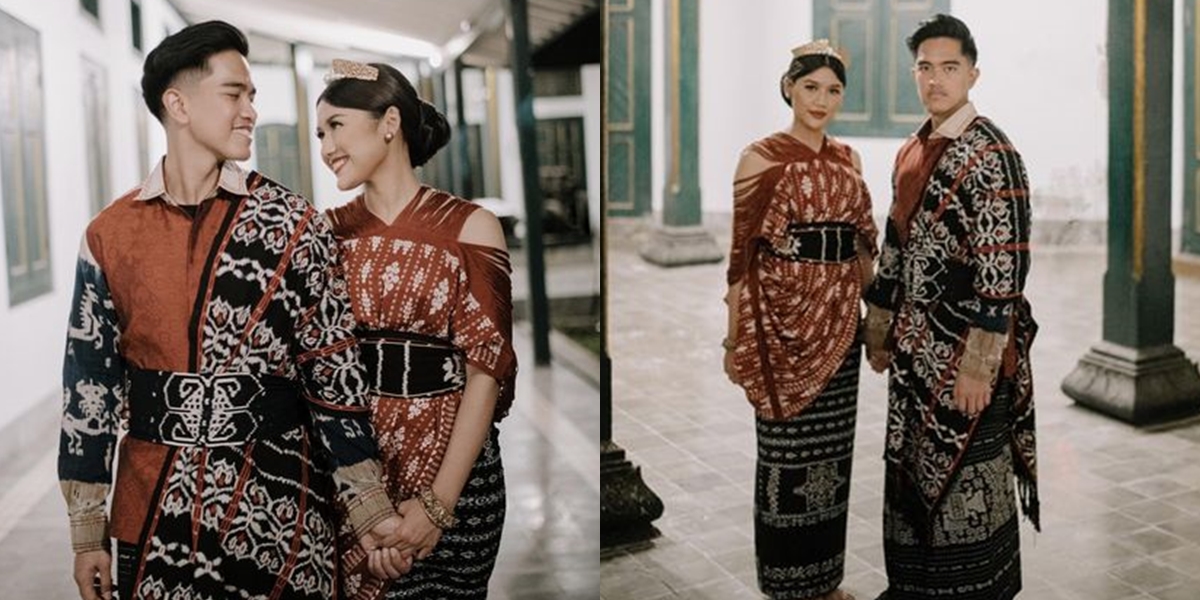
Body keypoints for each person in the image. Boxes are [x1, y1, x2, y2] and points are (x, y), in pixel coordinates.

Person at [59, 22, 409, 600]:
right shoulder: (109, 235)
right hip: (152, 510)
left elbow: (333, 374)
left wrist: (370, 511)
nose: (250, 110)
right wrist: (86, 532)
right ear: (178, 104)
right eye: (234, 94)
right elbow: (88, 389)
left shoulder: (293, 226)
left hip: (279, 509)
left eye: (252, 96)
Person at [314, 59, 517, 599]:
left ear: (389, 122)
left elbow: (486, 368)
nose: (325, 145)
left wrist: (437, 507)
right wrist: (370, 513)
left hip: (460, 478)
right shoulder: (324, 235)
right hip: (358, 483)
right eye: (319, 133)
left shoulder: (471, 227)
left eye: (335, 125)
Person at [862, 14, 1038, 600]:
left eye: (949, 67)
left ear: (973, 73)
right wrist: (880, 327)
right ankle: (915, 587)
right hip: (914, 351)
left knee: (968, 481)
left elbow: (1003, 269)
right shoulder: (914, 149)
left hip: (965, 355)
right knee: (911, 468)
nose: (935, 79)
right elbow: (894, 243)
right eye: (925, 67)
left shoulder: (992, 152)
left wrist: (978, 365)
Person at [723, 40, 877, 600]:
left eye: (833, 90)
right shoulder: (760, 157)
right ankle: (786, 585)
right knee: (786, 455)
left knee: (833, 455)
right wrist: (733, 339)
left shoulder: (848, 160)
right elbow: (742, 256)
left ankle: (826, 582)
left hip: (841, 321)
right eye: (811, 87)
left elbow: (862, 246)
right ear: (789, 87)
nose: (822, 100)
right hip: (782, 324)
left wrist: (874, 319)